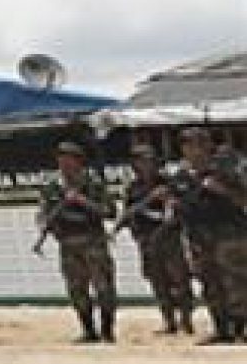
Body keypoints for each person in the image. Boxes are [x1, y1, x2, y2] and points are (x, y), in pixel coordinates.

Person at [34, 142, 117, 343]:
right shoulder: (53, 188)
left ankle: (107, 331)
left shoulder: (93, 184)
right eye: (61, 159)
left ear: (79, 161)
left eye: (69, 159)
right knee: (76, 290)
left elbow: (109, 211)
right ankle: (88, 330)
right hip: (68, 243)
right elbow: (43, 214)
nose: (64, 163)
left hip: (92, 241)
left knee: (104, 288)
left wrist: (82, 201)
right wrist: (45, 224)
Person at [171, 127, 246, 344]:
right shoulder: (183, 175)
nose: (193, 150)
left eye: (197, 144)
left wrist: (222, 190)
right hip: (198, 236)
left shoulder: (227, 169)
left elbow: (243, 198)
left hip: (229, 234)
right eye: (187, 146)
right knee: (209, 282)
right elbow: (180, 200)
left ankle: (241, 328)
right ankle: (221, 328)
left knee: (237, 283)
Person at [121, 145, 193, 335]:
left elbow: (183, 206)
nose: (145, 164)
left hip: (169, 238)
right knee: (157, 281)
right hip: (147, 239)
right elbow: (128, 212)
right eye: (140, 161)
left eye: (148, 160)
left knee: (180, 280)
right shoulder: (133, 187)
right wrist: (148, 200)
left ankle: (186, 320)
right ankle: (169, 321)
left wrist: (170, 201)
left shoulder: (169, 182)